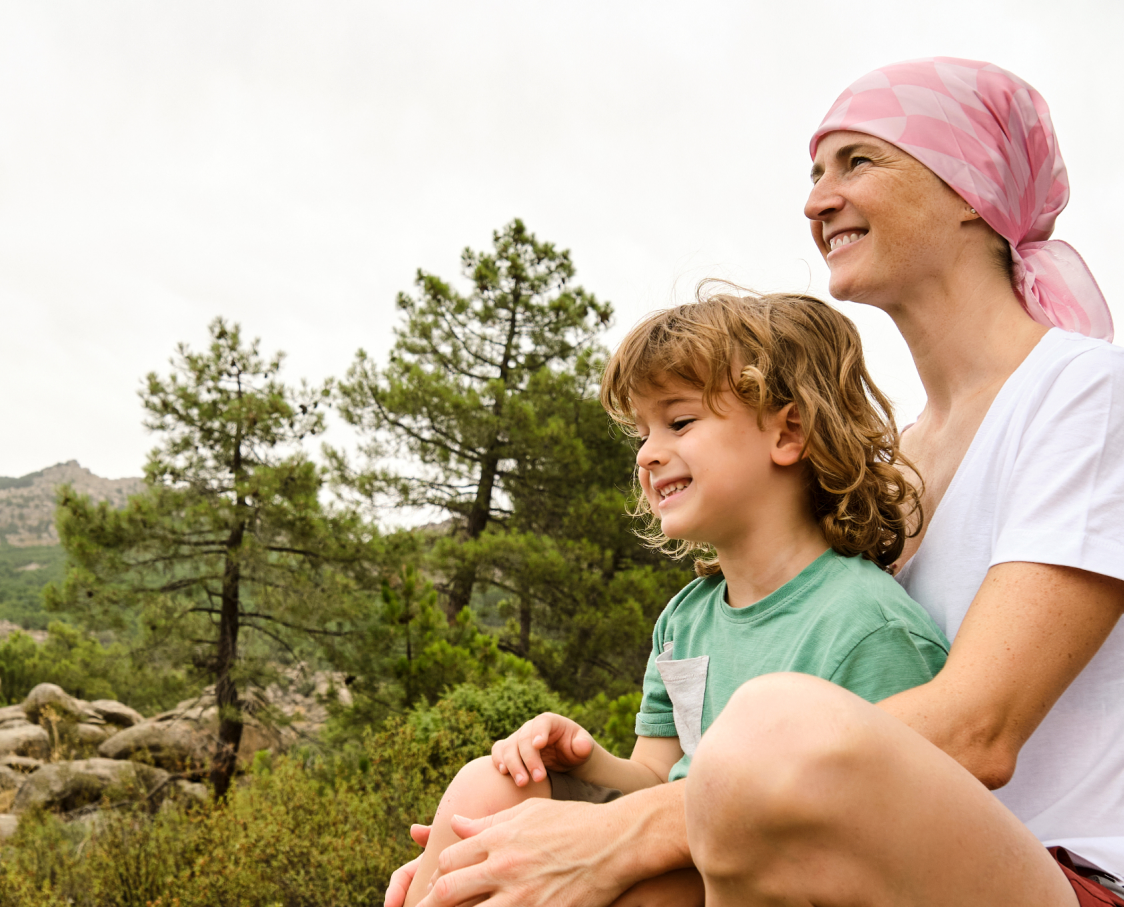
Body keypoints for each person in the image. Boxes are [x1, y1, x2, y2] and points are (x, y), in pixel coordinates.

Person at [390, 57, 1124, 907]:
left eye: (858, 161)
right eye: (815, 172)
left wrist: (617, 831)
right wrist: (485, 856)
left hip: (1083, 881)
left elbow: (978, 730)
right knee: (495, 801)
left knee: (770, 720)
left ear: (972, 190)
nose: (818, 199)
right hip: (862, 864)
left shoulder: (1091, 395)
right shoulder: (899, 460)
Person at [400, 289, 951, 907]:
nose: (646, 453)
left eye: (679, 421)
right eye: (641, 433)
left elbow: (899, 837)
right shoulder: (685, 619)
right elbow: (657, 781)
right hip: (679, 840)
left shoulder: (867, 628)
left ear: (788, 431)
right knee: (491, 784)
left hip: (776, 877)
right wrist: (587, 762)